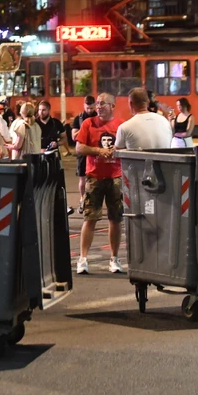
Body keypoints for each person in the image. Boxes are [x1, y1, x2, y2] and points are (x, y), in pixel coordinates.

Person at [75, 92, 125, 275]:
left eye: (103, 103)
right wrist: (98, 150)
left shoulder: (121, 125)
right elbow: (79, 148)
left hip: (116, 177)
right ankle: (82, 259)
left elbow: (128, 147)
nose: (99, 107)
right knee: (90, 218)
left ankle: (114, 259)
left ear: (113, 105)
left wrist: (116, 151)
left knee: (116, 219)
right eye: (97, 104)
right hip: (94, 177)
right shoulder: (88, 124)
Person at [71, 96, 98, 215]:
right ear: (84, 106)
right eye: (87, 108)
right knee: (82, 177)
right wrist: (85, 128)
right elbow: (73, 136)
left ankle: (94, 200)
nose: (89, 110)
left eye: (91, 108)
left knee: (96, 177)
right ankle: (83, 199)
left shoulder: (98, 116)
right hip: (82, 151)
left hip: (94, 150)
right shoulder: (79, 118)